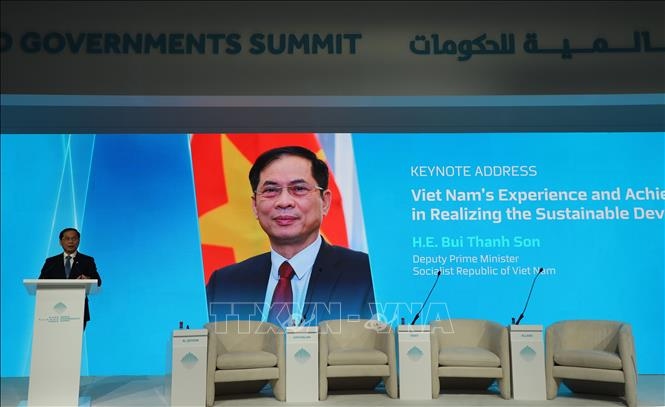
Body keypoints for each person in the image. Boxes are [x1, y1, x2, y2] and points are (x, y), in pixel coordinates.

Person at [206, 146, 376, 327]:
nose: (284, 202)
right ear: (255, 206)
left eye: (299, 189)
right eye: (271, 190)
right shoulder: (224, 284)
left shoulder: (366, 275)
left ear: (325, 202)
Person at [39, 227, 102, 329]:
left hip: (78, 310)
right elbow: (40, 283)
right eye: (67, 238)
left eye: (74, 238)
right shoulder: (51, 262)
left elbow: (98, 282)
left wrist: (88, 279)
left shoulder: (87, 260)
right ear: (60, 242)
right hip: (53, 309)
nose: (71, 241)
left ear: (79, 241)